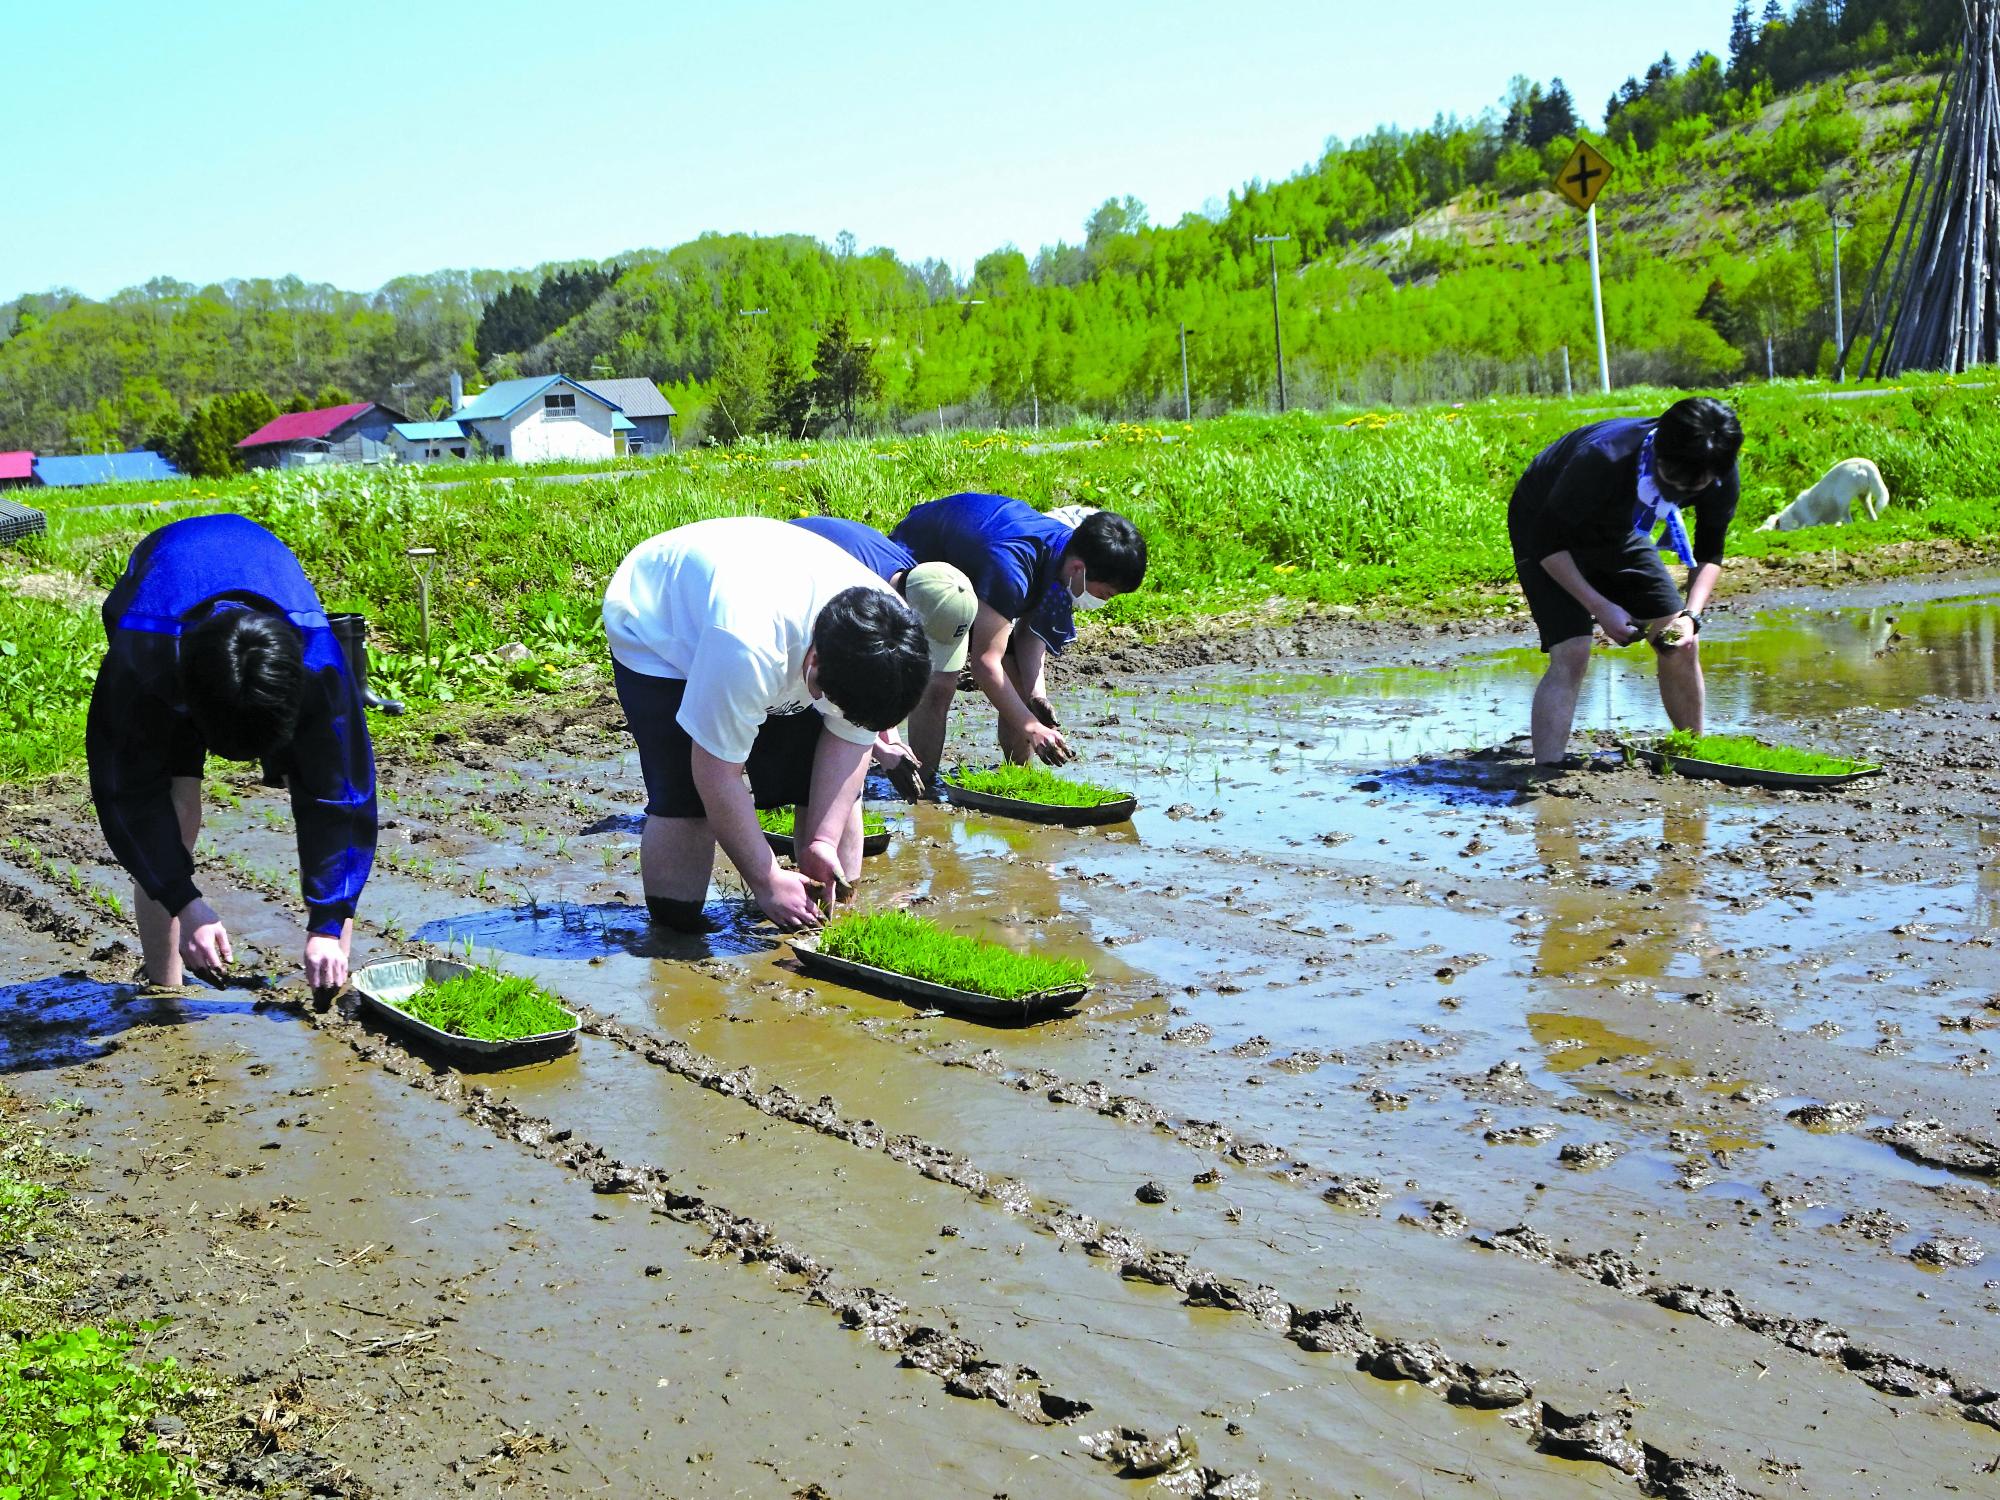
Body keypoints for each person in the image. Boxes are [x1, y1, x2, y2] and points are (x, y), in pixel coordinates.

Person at [86, 514, 376, 992]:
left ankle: (328, 975)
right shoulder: (140, 662)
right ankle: (165, 988)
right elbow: (129, 796)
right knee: (178, 811)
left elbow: (339, 801)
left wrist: (327, 921)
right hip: (162, 610)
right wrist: (185, 900)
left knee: (320, 784)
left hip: (266, 596)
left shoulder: (317, 661)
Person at [602, 516, 931, 932]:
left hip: (768, 595)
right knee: (686, 799)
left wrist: (822, 842)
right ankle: (672, 938)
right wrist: (766, 878)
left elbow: (852, 738)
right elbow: (716, 774)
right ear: (813, 663)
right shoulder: (746, 646)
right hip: (658, 623)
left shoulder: (891, 639)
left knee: (819, 783)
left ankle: (831, 921)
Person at [1508, 397, 1744, 768]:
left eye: (1692, 488)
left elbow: (1710, 554)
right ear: (1660, 455)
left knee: (1680, 643)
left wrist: (1690, 616)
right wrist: (1599, 606)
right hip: (1544, 526)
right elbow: (1547, 543)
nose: (1678, 495)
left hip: (1619, 528)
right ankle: (1547, 772)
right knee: (1572, 651)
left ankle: (1692, 755)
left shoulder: (1717, 471)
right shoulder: (1604, 459)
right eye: (1672, 482)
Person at [889, 493, 1146, 778]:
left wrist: (1037, 695)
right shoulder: (1012, 570)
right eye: (1105, 594)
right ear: (1078, 569)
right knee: (941, 681)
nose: (1103, 602)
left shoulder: (1067, 554)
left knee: (1022, 690)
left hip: (981, 572)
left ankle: (1019, 777)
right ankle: (923, 786)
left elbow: (1032, 630)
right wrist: (1031, 727)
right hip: (923, 566)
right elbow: (985, 664)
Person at [790, 515, 976, 796]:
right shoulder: (854, 600)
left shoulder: (919, 583)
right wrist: (882, 752)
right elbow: (832, 698)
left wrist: (893, 743)